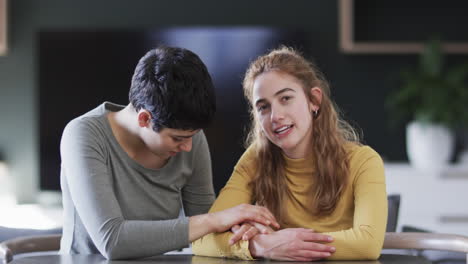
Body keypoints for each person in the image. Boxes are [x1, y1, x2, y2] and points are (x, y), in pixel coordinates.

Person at [59, 46, 279, 260]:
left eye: (192, 136)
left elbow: (207, 230)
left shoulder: (189, 136)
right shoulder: (83, 135)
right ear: (144, 119)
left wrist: (247, 232)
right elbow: (112, 241)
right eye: (178, 138)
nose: (188, 147)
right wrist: (216, 220)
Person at [192, 47, 387, 261]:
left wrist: (283, 242)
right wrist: (262, 245)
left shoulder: (364, 161)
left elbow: (368, 243)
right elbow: (202, 239)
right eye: (263, 107)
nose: (275, 116)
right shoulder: (256, 159)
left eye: (285, 98)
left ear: (314, 100)